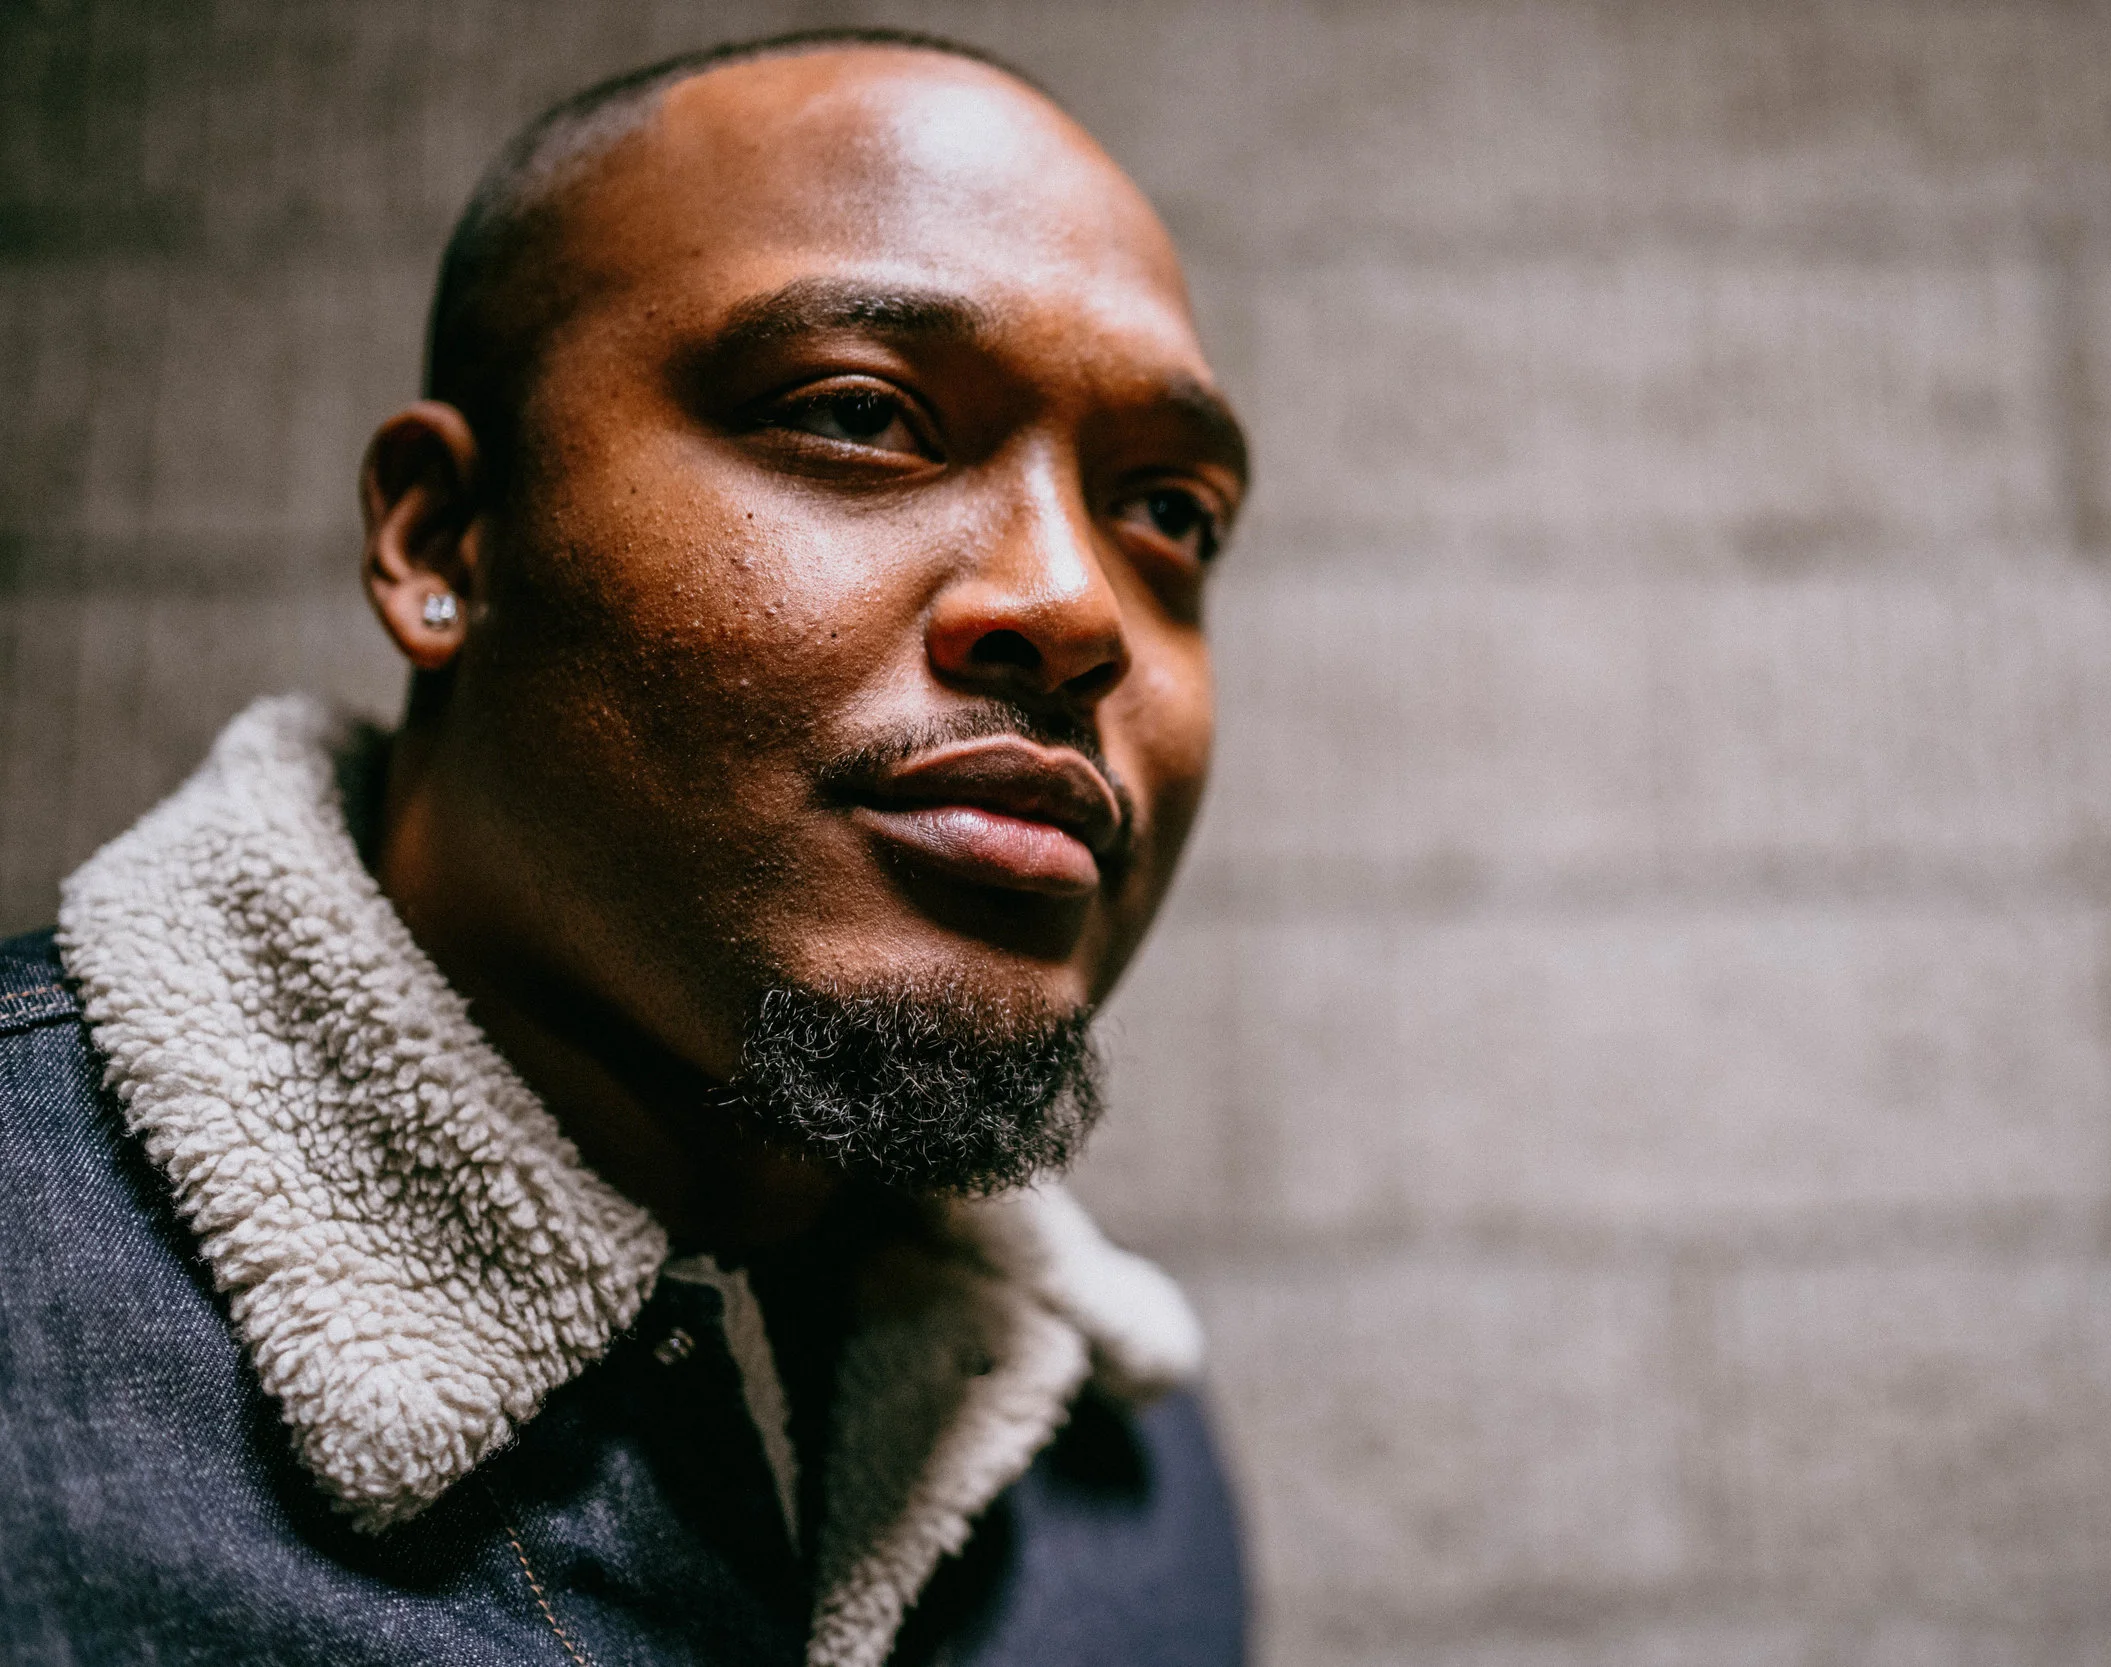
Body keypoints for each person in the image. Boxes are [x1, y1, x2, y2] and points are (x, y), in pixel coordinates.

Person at [0, 28, 1251, 1667]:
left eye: (1168, 512)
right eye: (861, 414)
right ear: (446, 539)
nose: (1079, 606)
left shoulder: (1115, 1471)